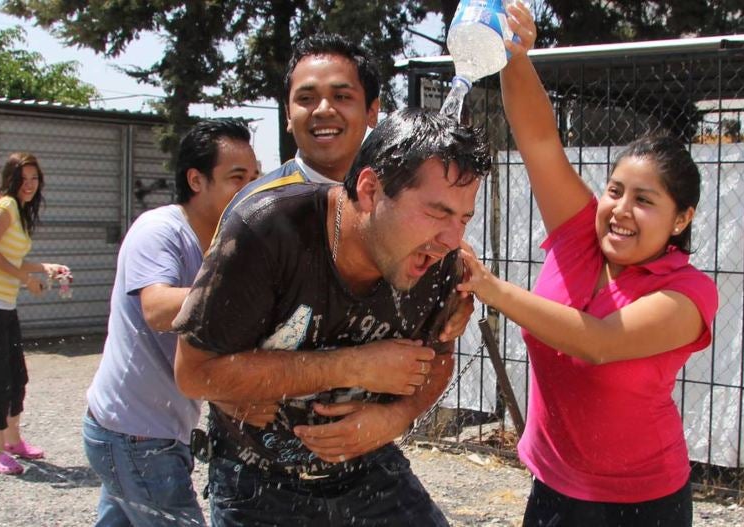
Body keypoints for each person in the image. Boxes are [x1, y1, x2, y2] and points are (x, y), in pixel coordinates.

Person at [455, 4, 720, 526]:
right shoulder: (581, 236)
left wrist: (489, 286)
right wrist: (513, 53)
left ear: (681, 218)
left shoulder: (689, 293)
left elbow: (597, 342)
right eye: (615, 190)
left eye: (645, 201)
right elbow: (538, 142)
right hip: (553, 485)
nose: (620, 210)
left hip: (644, 501)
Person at [172, 108, 491, 526]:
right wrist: (352, 366)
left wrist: (396, 417)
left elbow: (439, 360)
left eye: (463, 218)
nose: (452, 239)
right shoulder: (266, 232)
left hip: (369, 469)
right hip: (258, 482)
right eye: (437, 213)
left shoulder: (440, 259)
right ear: (371, 189)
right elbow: (194, 374)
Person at [82, 119, 259, 526]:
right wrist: (246, 299)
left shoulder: (224, 242)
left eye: (254, 176)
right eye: (237, 177)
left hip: (150, 431)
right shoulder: (159, 230)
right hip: (134, 435)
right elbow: (159, 308)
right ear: (196, 180)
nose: (250, 189)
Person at [0, 152, 70, 475]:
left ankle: (13, 441)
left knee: (17, 377)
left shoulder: (20, 211)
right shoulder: (5, 207)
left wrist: (43, 268)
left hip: (4, 307)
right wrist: (26, 279)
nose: (29, 185)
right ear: (11, 180)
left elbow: (11, 258)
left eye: (34, 179)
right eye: (23, 179)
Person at [219, 33, 381, 229]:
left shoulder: (392, 199)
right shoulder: (255, 211)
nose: (323, 110)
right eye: (306, 98)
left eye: (341, 96)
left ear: (372, 112)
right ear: (288, 114)